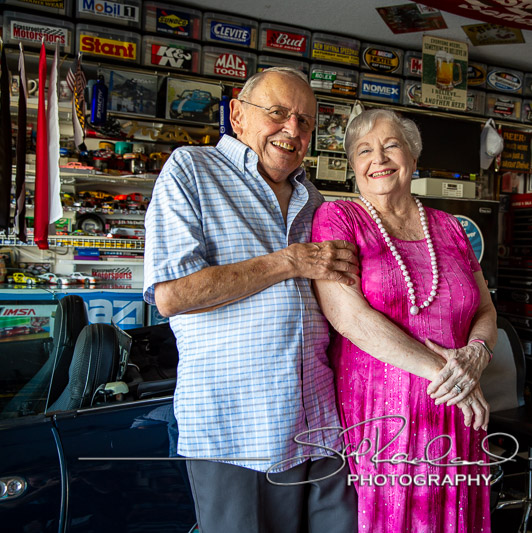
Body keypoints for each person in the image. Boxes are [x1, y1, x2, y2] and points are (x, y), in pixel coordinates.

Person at [143, 67, 359, 533]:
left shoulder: (314, 198)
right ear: (237, 115)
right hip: (236, 429)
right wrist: (290, 261)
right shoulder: (192, 170)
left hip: (320, 424)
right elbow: (173, 296)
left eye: (305, 122)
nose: (293, 130)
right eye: (278, 113)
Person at [311, 109, 497, 532]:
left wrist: (477, 353)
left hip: (457, 409)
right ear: (353, 166)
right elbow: (349, 318)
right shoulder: (338, 218)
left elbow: (486, 310)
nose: (379, 157)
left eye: (391, 145)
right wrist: (451, 375)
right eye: (364, 150)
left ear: (412, 157)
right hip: (384, 412)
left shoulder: (449, 228)